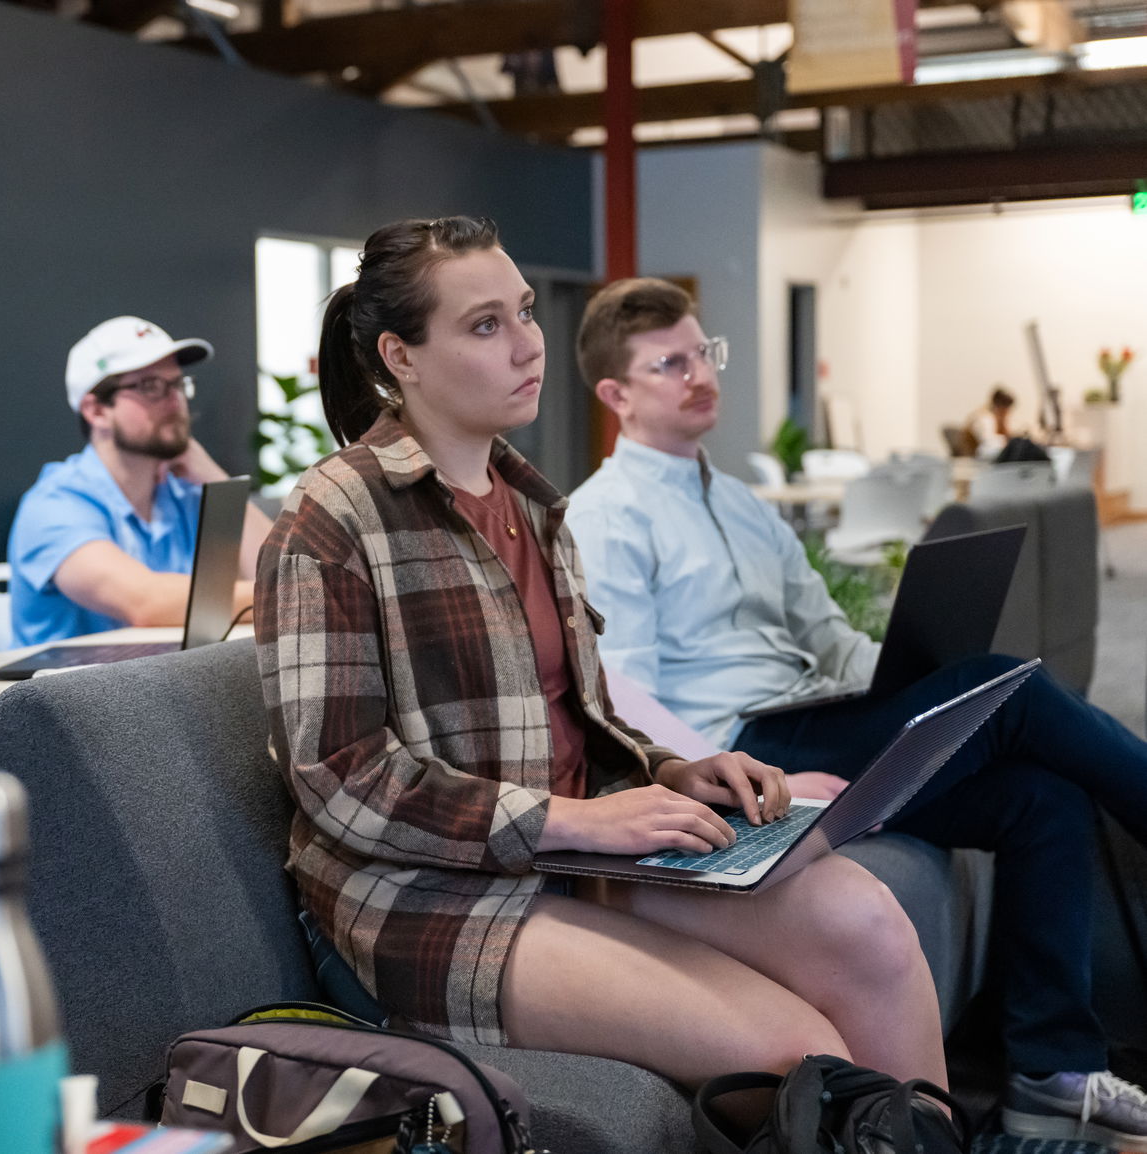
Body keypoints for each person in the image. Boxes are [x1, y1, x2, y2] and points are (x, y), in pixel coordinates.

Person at [256, 217, 948, 1094]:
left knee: (868, 925)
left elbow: (580, 711)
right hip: (424, 897)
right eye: (484, 326)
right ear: (401, 356)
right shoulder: (332, 521)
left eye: (526, 312)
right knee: (801, 1056)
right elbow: (340, 779)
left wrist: (668, 768)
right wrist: (573, 823)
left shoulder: (532, 503)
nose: (526, 346)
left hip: (579, 850)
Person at [566, 276, 1147, 1147]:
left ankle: (1049, 1075)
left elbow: (827, 630)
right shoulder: (605, 517)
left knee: (1040, 795)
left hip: (821, 712)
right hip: (743, 742)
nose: (699, 375)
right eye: (670, 364)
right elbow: (628, 693)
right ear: (617, 394)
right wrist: (740, 779)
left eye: (704, 354)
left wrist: (904, 678)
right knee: (1011, 686)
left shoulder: (738, 503)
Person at [8, 315, 272, 646]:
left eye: (177, 384)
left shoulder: (182, 492)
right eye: (149, 386)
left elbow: (279, 569)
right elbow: (146, 604)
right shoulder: (54, 504)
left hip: (161, 685)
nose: (175, 401)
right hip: (68, 694)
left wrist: (214, 478)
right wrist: (286, 595)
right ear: (97, 411)